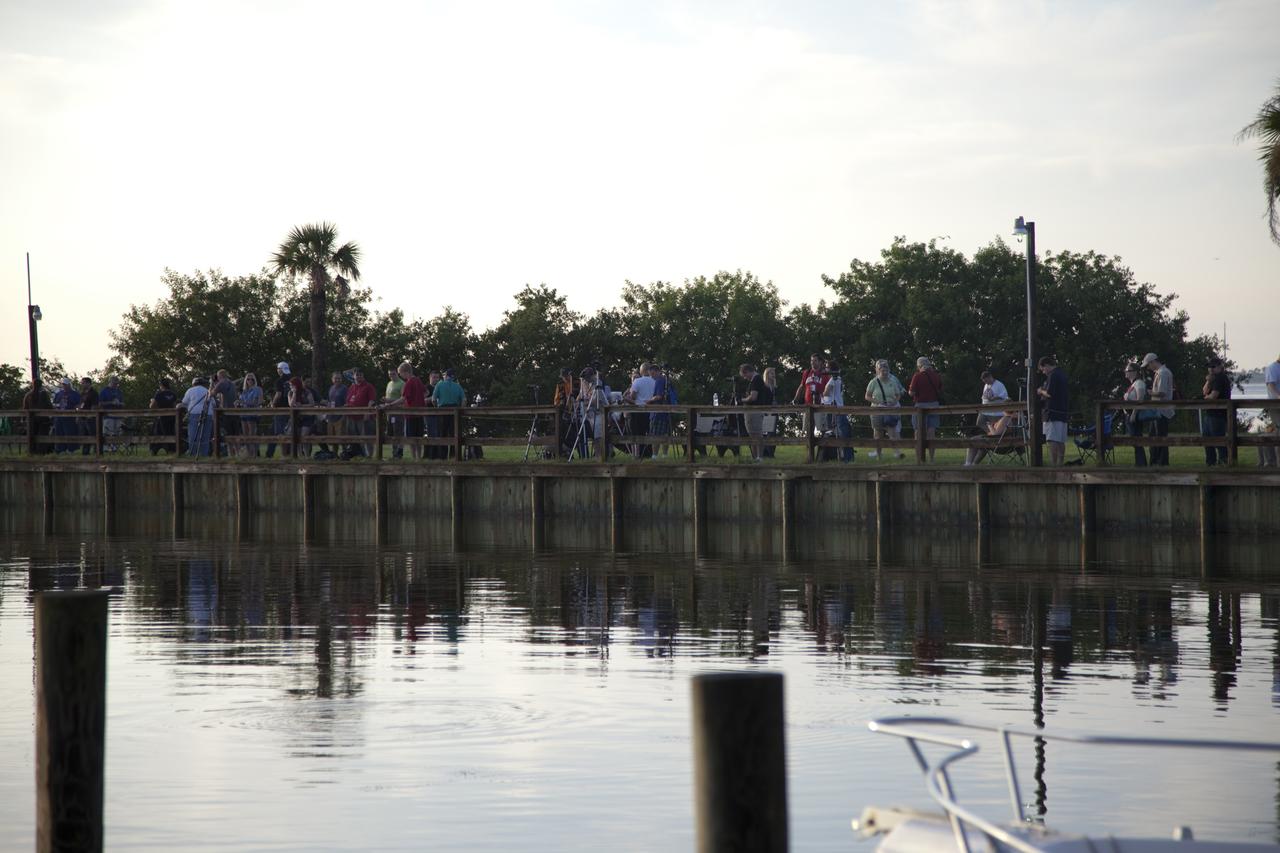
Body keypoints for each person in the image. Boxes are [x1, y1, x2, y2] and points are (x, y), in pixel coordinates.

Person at [381, 362, 426, 460]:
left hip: (410, 414)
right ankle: (419, 458)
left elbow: (403, 398)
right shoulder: (418, 380)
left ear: (405, 372)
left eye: (400, 373)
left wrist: (390, 404)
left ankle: (415, 458)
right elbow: (426, 392)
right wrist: (419, 400)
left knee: (411, 438)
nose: (400, 375)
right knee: (419, 437)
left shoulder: (409, 382)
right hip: (420, 413)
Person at [966, 371, 1010, 465]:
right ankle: (988, 434)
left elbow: (1005, 397)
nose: (986, 383)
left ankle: (991, 436)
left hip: (996, 413)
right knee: (979, 423)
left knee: (994, 430)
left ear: (990, 377)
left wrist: (995, 398)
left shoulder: (999, 385)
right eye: (984, 382)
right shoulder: (986, 385)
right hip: (985, 411)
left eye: (987, 381)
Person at [865, 359, 906, 460]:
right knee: (878, 433)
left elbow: (898, 395)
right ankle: (879, 455)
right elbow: (867, 396)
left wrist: (894, 402)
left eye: (886, 370)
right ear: (878, 371)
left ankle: (897, 453)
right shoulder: (873, 382)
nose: (884, 372)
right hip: (877, 409)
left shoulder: (893, 381)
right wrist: (877, 402)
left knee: (892, 431)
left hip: (890, 408)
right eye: (882, 370)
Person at [907, 357, 943, 463]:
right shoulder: (936, 376)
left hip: (920, 406)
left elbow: (911, 393)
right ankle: (932, 458)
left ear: (919, 366)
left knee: (918, 431)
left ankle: (919, 458)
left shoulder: (917, 376)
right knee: (931, 432)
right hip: (934, 405)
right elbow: (940, 389)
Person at [1142, 353, 1175, 467]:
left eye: (1148, 365)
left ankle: (1161, 462)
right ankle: (1158, 461)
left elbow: (1162, 393)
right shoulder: (1162, 373)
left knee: (1159, 437)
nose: (1148, 368)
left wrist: (1150, 392)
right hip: (1159, 410)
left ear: (1153, 362)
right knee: (1156, 436)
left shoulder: (1163, 373)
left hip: (1161, 410)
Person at [1036, 355, 1069, 466]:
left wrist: (1040, 391)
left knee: (1052, 439)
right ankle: (1060, 463)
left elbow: (1049, 393)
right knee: (1060, 440)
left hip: (1052, 412)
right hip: (1062, 411)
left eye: (1043, 369)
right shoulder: (1062, 374)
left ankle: (1054, 465)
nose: (1044, 372)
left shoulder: (1053, 375)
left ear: (1046, 365)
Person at [1200, 357, 1231, 466]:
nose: (1210, 369)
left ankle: (1223, 462)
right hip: (1210, 413)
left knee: (1218, 440)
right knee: (1207, 440)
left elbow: (1213, 396)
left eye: (1213, 367)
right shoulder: (1213, 379)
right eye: (1209, 367)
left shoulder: (1220, 378)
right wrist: (1208, 381)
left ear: (1219, 367)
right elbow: (1204, 391)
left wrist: (1206, 398)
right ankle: (1211, 463)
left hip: (1218, 414)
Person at [821, 361, 853, 463]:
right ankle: (843, 456)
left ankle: (846, 457)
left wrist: (824, 391)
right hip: (837, 407)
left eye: (827, 368)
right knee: (838, 432)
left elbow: (826, 392)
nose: (826, 370)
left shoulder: (833, 380)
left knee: (841, 433)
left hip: (835, 408)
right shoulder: (838, 379)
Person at [624, 361, 656, 458]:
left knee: (639, 433)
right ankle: (650, 454)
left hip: (638, 410)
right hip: (651, 410)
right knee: (649, 433)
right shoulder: (655, 381)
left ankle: (639, 454)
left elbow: (633, 396)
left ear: (642, 371)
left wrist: (626, 398)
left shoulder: (637, 381)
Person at [431, 368, 466, 459]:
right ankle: (454, 455)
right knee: (455, 433)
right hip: (455, 410)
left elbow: (433, 400)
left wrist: (437, 408)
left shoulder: (439, 385)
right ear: (453, 377)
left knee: (442, 433)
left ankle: (443, 456)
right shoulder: (458, 386)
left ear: (446, 376)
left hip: (443, 410)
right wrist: (461, 410)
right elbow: (464, 400)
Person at [343, 368, 378, 458]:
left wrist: (367, 412)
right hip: (351, 416)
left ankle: (369, 456)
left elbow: (371, 400)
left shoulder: (368, 386)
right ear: (353, 376)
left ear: (363, 376)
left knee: (366, 437)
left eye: (360, 375)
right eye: (357, 375)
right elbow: (349, 400)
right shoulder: (352, 387)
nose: (358, 377)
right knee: (354, 437)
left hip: (363, 417)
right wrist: (346, 406)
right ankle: (360, 455)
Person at [739, 363, 769, 461]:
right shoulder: (755, 380)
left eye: (745, 375)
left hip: (754, 412)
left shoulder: (756, 380)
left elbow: (753, 397)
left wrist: (742, 400)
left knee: (756, 434)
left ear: (747, 372)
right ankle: (756, 457)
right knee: (753, 434)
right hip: (752, 411)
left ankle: (759, 457)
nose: (745, 378)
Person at [179, 375, 216, 457]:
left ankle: (193, 453)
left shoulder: (190, 390)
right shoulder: (207, 390)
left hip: (194, 413)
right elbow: (213, 403)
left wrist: (178, 406)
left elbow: (184, 403)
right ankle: (204, 454)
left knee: (193, 434)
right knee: (205, 435)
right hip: (208, 413)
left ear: (193, 384)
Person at [1122, 363, 1150, 467]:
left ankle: (1141, 463)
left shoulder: (1139, 383)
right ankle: (1139, 462)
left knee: (1136, 439)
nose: (1126, 372)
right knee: (1134, 439)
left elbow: (1140, 399)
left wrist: (1133, 413)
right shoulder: (1133, 384)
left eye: (1128, 370)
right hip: (1129, 415)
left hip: (1135, 416)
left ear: (1134, 372)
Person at [264, 362, 294, 459]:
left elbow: (279, 394)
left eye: (278, 368)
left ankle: (284, 455)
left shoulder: (279, 381)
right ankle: (270, 454)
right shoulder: (291, 379)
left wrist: (273, 403)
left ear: (280, 369)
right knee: (277, 431)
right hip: (291, 408)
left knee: (281, 433)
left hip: (280, 409)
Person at [287, 375, 317, 457]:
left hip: (307, 417)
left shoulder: (306, 391)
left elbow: (312, 403)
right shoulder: (290, 393)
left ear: (296, 384)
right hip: (296, 417)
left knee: (304, 436)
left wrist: (302, 406)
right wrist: (295, 393)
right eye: (290, 385)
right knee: (296, 436)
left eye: (292, 385)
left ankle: (307, 456)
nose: (290, 387)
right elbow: (291, 405)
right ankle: (300, 455)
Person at [21, 380, 53, 454]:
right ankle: (41, 452)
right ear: (41, 385)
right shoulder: (44, 394)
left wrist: (24, 419)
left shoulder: (28, 395)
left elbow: (25, 408)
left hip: (31, 420)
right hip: (43, 419)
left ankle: (32, 452)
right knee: (43, 436)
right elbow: (49, 406)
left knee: (32, 436)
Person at [236, 373, 263, 457]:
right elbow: (241, 402)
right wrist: (237, 404)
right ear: (245, 380)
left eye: (252, 379)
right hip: (243, 414)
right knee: (245, 435)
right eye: (248, 379)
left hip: (252, 413)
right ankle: (248, 454)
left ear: (255, 380)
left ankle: (254, 454)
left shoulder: (257, 389)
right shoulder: (244, 391)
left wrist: (243, 402)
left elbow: (257, 402)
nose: (250, 381)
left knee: (252, 434)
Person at [211, 369, 238, 455]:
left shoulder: (221, 383)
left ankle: (231, 454)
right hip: (235, 411)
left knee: (228, 434)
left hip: (226, 412)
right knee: (235, 434)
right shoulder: (232, 383)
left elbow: (211, 394)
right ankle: (237, 453)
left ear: (219, 376)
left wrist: (211, 384)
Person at [150, 378, 178, 454]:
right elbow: (175, 405)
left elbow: (152, 406)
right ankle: (171, 449)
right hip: (172, 417)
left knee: (157, 433)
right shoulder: (173, 394)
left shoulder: (159, 394)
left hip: (161, 417)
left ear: (161, 385)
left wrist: (152, 401)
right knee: (170, 432)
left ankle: (154, 449)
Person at [52, 378, 81, 453]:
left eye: (65, 384)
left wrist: (77, 415)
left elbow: (78, 405)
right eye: (63, 384)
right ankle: (61, 449)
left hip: (70, 417)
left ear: (69, 385)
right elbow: (54, 404)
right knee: (59, 432)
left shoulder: (75, 394)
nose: (64, 386)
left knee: (70, 432)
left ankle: (71, 449)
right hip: (59, 417)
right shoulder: (59, 394)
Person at [1262, 353, 1280, 467]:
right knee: (1279, 430)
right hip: (1275, 405)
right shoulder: (1272, 368)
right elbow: (1270, 385)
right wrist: (1279, 396)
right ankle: (1277, 463)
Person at [384, 367, 406, 459]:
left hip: (398, 412)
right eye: (389, 374)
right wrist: (385, 402)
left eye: (393, 374)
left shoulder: (402, 384)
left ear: (397, 373)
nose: (391, 376)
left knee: (398, 432)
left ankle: (399, 453)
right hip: (390, 412)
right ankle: (394, 452)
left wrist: (389, 401)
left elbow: (403, 399)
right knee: (391, 433)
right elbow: (387, 397)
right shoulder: (389, 383)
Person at [99, 376, 124, 452]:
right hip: (108, 415)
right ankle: (106, 447)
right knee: (107, 432)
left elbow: (123, 402)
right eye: (114, 383)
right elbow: (100, 403)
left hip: (118, 415)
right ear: (110, 382)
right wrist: (111, 402)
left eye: (117, 383)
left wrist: (119, 403)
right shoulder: (104, 391)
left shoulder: (119, 391)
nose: (116, 385)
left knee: (117, 432)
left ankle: (115, 447)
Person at [76, 377, 100, 455]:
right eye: (82, 383)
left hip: (90, 418)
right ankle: (85, 452)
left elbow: (95, 405)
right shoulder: (83, 393)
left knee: (93, 435)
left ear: (88, 383)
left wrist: (91, 415)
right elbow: (80, 404)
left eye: (83, 383)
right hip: (82, 417)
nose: (82, 384)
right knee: (85, 435)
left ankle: (97, 452)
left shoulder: (93, 393)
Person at [761, 367, 779, 458]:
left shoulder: (774, 387)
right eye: (772, 373)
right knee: (767, 433)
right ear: (767, 375)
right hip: (767, 412)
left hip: (775, 411)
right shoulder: (764, 387)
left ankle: (771, 452)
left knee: (773, 433)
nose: (774, 375)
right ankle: (767, 453)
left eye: (774, 373)